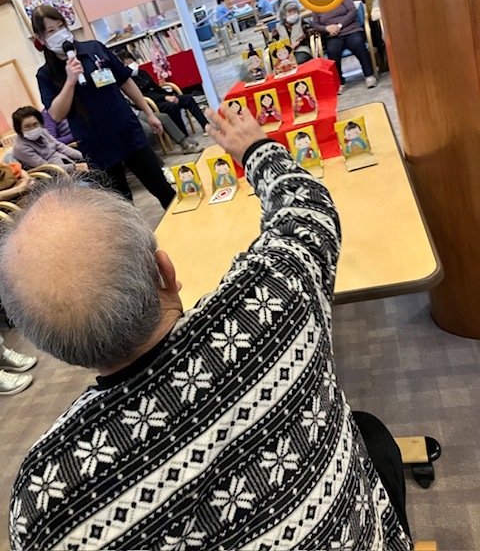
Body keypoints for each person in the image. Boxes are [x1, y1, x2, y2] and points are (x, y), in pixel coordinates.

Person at [1, 105, 412, 550]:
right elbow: (308, 210)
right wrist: (255, 148)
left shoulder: (41, 499)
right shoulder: (274, 298)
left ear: (48, 342)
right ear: (164, 272)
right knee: (370, 435)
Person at [31, 5, 175, 209]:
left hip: (126, 131)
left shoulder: (94, 48)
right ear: (40, 38)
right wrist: (70, 80)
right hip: (96, 145)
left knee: (162, 188)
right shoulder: (45, 74)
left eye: (61, 26)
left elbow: (125, 81)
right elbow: (56, 114)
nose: (59, 33)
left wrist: (149, 113)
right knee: (121, 206)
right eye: (51, 31)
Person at [117, 52, 209, 139]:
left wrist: (170, 95)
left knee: (188, 99)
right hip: (150, 104)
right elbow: (144, 96)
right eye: (127, 64)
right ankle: (183, 135)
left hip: (162, 97)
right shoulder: (128, 82)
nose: (131, 66)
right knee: (172, 107)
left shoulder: (143, 73)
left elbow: (156, 88)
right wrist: (165, 97)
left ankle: (205, 126)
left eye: (131, 62)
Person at [312, 0, 377, 93]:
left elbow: (352, 11)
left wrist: (339, 25)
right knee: (332, 51)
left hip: (351, 30)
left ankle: (369, 75)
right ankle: (339, 82)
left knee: (358, 44)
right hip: (333, 36)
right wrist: (326, 28)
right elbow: (316, 24)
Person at [12, 106, 87, 172]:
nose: (33, 129)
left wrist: (83, 156)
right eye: (27, 126)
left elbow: (60, 146)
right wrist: (74, 167)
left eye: (35, 124)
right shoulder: (20, 148)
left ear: (41, 123)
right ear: (19, 129)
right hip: (53, 176)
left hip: (65, 163)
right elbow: (46, 167)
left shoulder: (43, 132)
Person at [272, 0, 314, 65]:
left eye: (294, 10)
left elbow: (309, 33)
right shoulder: (278, 27)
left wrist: (298, 42)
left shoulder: (303, 22)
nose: (293, 13)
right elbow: (273, 41)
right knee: (281, 64)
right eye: (290, 11)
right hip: (284, 53)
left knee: (297, 61)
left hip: (301, 49)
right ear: (284, 14)